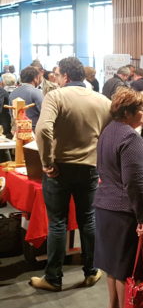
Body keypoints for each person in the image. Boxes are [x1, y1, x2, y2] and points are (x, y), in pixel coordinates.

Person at [30, 57, 111, 291]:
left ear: (65, 76)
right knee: (88, 220)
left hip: (59, 168)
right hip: (89, 168)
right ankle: (91, 272)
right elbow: (109, 134)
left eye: (57, 74)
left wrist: (47, 161)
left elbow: (43, 129)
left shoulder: (55, 96)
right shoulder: (102, 100)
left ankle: (53, 278)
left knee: (57, 222)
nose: (55, 78)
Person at [94, 88, 143, 308]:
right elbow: (135, 183)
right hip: (125, 211)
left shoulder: (108, 131)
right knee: (126, 267)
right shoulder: (130, 138)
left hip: (105, 205)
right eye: (140, 109)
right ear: (128, 113)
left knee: (112, 263)